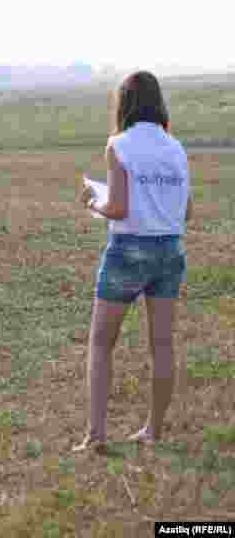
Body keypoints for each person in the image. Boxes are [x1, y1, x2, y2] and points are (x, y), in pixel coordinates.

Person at [73, 71, 192, 452]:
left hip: (128, 251)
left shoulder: (118, 144)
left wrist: (94, 202)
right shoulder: (176, 148)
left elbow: (120, 206)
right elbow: (186, 210)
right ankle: (153, 431)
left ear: (124, 104)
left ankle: (96, 436)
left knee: (101, 343)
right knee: (162, 345)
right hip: (169, 250)